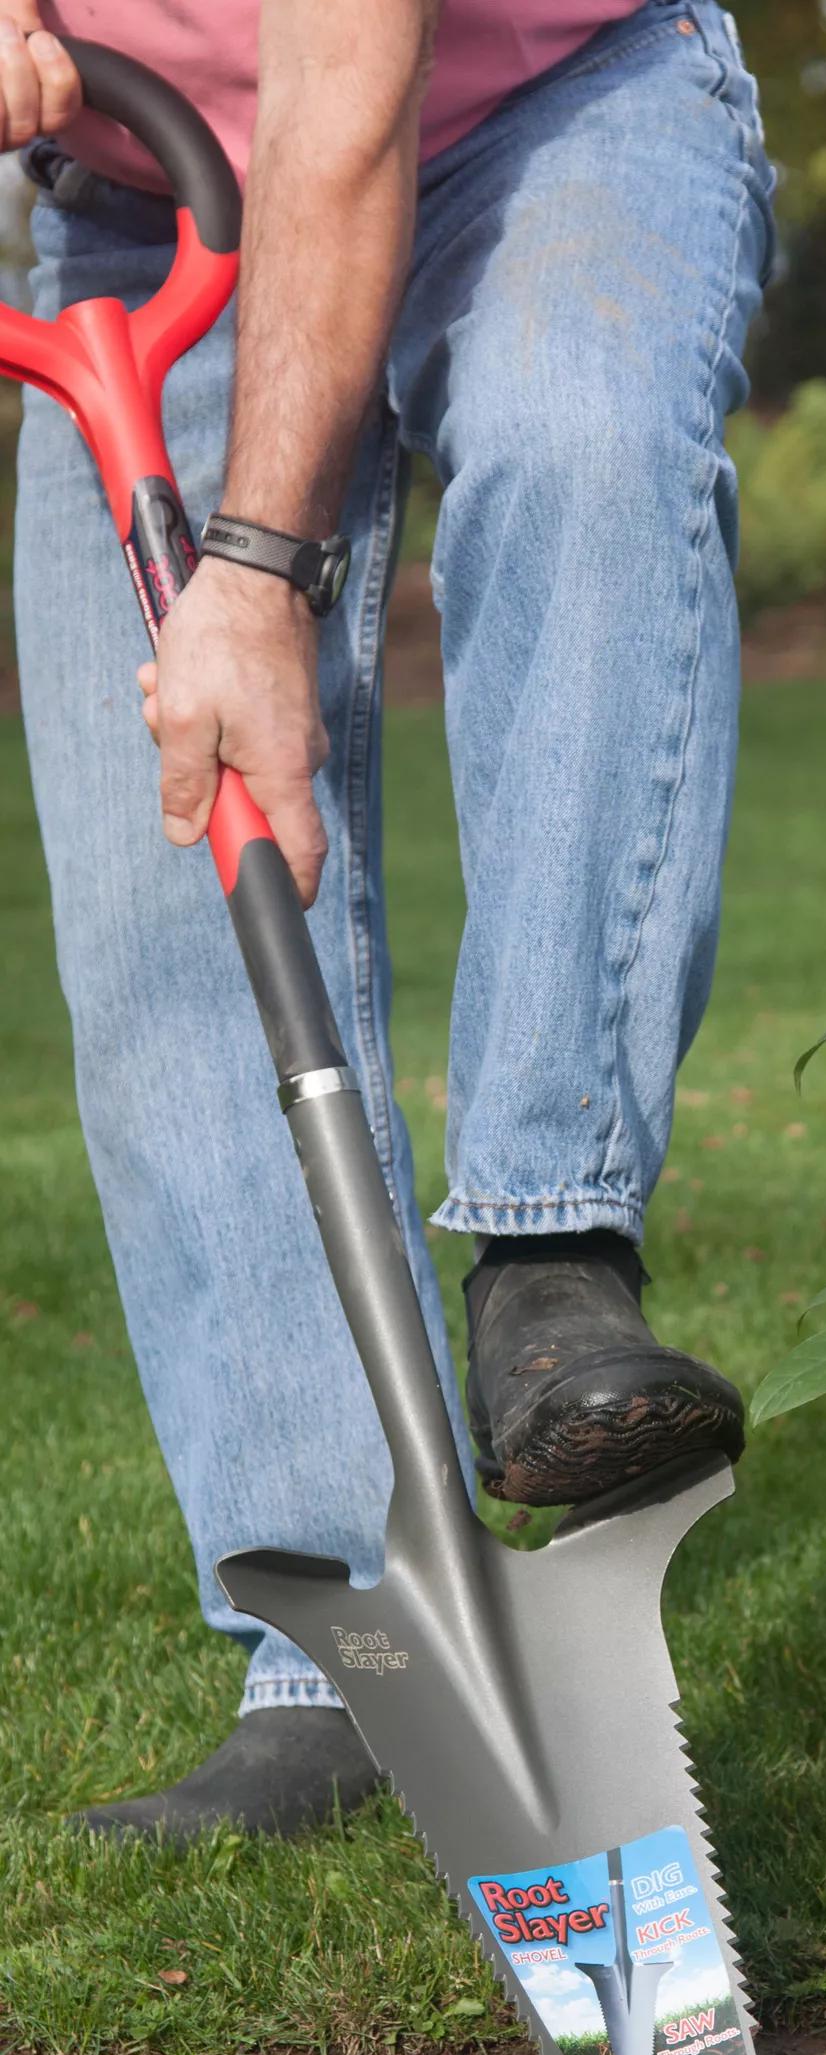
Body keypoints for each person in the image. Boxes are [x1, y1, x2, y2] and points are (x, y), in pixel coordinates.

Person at [4, 1, 773, 1836]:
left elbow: (339, 108)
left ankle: (549, 1249)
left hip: (552, 116)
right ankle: (346, 1644)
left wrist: (252, 581)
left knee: (581, 446)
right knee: (167, 835)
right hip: (147, 200)